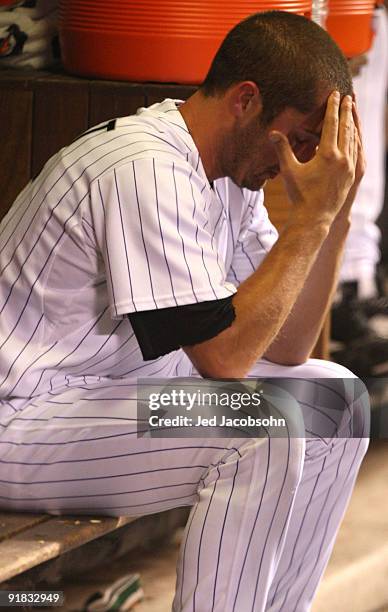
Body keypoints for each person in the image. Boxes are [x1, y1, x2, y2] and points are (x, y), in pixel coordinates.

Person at [0, 11, 369, 612]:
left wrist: (334, 215)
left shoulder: (230, 175)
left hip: (115, 397)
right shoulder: (144, 166)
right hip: (25, 417)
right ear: (247, 101)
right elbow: (224, 359)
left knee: (337, 400)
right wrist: (309, 223)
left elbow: (288, 348)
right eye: (301, 138)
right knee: (259, 430)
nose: (302, 161)